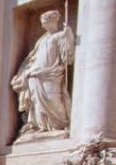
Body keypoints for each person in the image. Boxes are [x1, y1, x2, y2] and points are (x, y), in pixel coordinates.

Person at [10, 10, 75, 138]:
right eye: (42, 23)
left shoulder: (60, 35)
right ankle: (41, 126)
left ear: (53, 22)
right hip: (35, 74)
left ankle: (59, 125)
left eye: (46, 23)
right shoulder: (42, 40)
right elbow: (34, 58)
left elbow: (67, 57)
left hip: (52, 74)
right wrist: (27, 72)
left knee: (52, 99)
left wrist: (69, 36)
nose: (43, 25)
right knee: (36, 102)